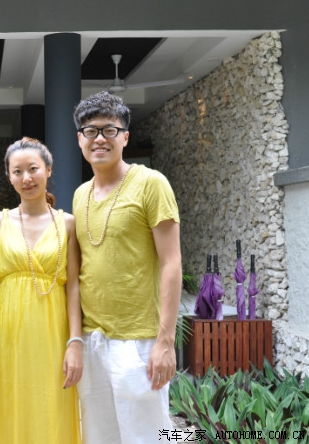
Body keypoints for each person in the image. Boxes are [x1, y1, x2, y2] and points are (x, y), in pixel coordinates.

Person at [72, 91, 182, 444]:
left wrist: (165, 342)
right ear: (80, 139)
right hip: (92, 339)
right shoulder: (80, 194)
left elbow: (171, 262)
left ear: (125, 136)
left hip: (138, 341)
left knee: (146, 437)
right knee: (98, 437)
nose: (99, 138)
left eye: (109, 129)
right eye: (90, 131)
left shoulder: (151, 183)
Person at [0, 137, 82, 444]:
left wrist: (75, 341)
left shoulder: (68, 224)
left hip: (53, 334)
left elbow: (73, 286)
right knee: (6, 409)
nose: (26, 178)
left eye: (33, 169)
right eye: (17, 171)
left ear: (48, 170)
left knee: (50, 409)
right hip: (5, 334)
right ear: (8, 176)